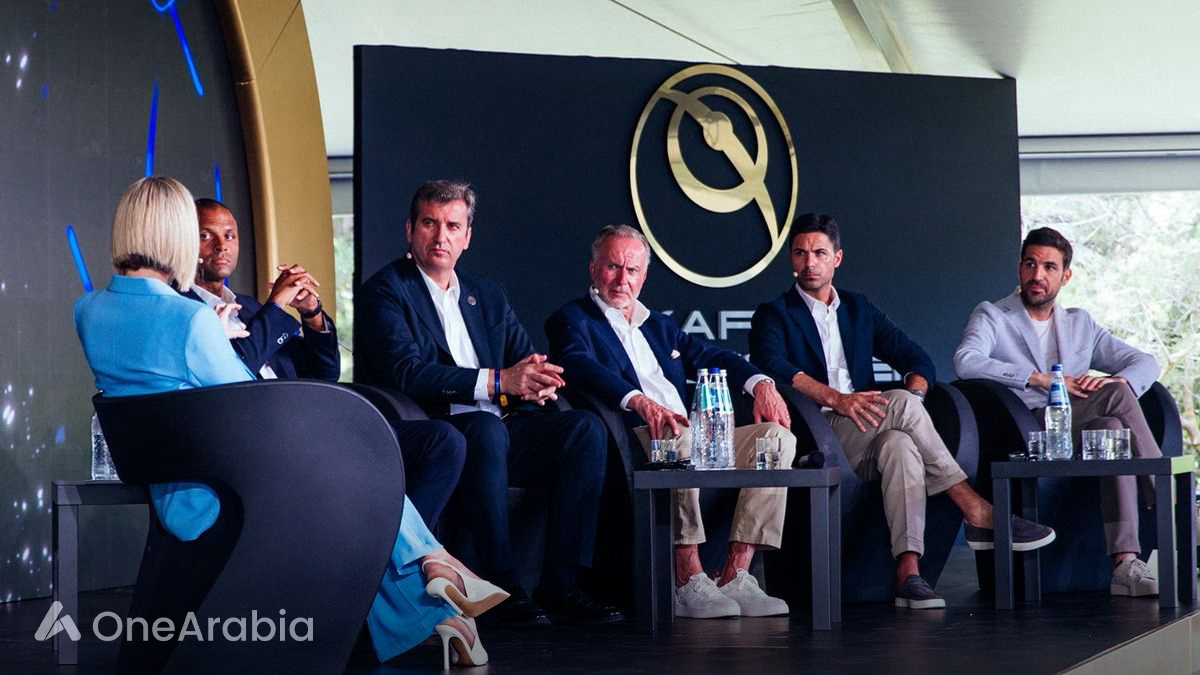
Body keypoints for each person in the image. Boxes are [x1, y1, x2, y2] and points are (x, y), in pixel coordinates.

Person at [74, 176, 503, 667]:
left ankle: (436, 585)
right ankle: (434, 568)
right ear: (178, 235)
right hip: (227, 490)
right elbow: (254, 403)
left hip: (174, 486)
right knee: (360, 471)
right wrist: (220, 336)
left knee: (351, 465)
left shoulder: (88, 310)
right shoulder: (191, 321)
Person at [748, 213, 1056, 609]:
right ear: (791, 259)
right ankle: (973, 507)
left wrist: (916, 394)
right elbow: (772, 365)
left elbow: (915, 358)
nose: (810, 263)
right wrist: (836, 398)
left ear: (837, 258)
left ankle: (909, 572)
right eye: (800, 253)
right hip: (817, 432)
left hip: (868, 429)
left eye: (819, 253)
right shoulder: (774, 313)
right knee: (900, 411)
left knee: (899, 445)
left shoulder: (858, 309)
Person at [356, 180, 621, 626]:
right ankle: (503, 584)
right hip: (436, 428)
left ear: (467, 236)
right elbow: (408, 372)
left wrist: (538, 380)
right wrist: (501, 380)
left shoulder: (488, 295)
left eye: (452, 226)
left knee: (583, 429)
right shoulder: (386, 291)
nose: (441, 236)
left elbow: (522, 356)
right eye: (429, 224)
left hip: (499, 427)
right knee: (485, 428)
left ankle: (562, 583)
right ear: (410, 230)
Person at [545, 225, 796, 619]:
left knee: (776, 438)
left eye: (632, 270)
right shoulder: (573, 319)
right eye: (612, 267)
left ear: (644, 275)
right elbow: (579, 365)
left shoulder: (659, 326)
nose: (622, 279)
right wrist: (638, 399)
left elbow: (713, 355)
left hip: (695, 434)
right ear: (593, 270)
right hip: (638, 437)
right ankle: (687, 578)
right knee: (673, 435)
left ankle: (735, 573)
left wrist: (762, 383)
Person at [189, 198, 465, 524]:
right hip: (270, 440)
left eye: (230, 236)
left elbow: (325, 372)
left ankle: (397, 547)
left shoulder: (249, 308)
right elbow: (235, 368)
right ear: (185, 241)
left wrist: (312, 314)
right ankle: (393, 548)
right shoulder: (186, 310)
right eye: (206, 235)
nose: (222, 245)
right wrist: (276, 305)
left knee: (443, 442)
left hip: (317, 424)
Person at [953, 226, 1162, 597]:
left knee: (1112, 424)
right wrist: (1039, 379)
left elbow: (1145, 362)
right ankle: (1169, 501)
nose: (1038, 275)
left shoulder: (1080, 323)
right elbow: (966, 361)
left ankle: (1125, 562)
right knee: (1115, 401)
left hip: (1075, 426)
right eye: (1030, 264)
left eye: (1049, 267)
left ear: (1065, 276)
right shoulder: (993, 315)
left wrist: (1120, 380)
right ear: (1020, 268)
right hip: (1026, 427)